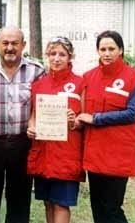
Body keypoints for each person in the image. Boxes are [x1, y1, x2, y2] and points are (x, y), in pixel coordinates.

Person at [75, 30, 135, 223]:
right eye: (103, 49)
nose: (107, 53)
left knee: (112, 208)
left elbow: (132, 114)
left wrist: (96, 118)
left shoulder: (133, 77)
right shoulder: (88, 77)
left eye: (111, 49)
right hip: (95, 153)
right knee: (97, 207)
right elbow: (80, 109)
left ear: (121, 50)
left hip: (118, 154)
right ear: (97, 51)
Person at [0, 26, 44, 223]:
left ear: (23, 45)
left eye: (15, 43)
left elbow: (43, 104)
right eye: (5, 43)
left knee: (19, 199)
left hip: (23, 142)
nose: (10, 48)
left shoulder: (37, 71)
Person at [26, 36, 85, 223]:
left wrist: (74, 121)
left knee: (61, 203)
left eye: (62, 54)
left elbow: (84, 117)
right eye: (53, 54)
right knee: (48, 202)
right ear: (47, 56)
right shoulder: (39, 85)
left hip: (67, 153)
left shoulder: (80, 83)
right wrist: (31, 127)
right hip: (43, 151)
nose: (57, 58)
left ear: (70, 57)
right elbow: (34, 115)